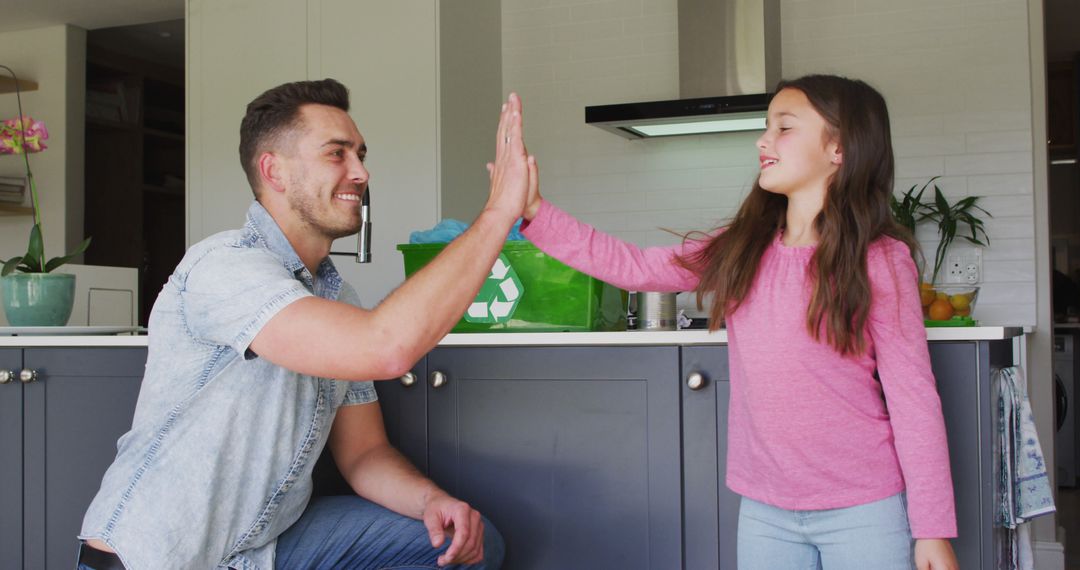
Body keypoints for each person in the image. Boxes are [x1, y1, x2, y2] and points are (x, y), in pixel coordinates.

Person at [76, 78, 528, 569]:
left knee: (462, 545)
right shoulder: (224, 266)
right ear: (274, 171)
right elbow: (383, 347)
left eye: (360, 154)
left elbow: (364, 454)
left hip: (260, 551)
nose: (360, 171)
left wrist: (429, 502)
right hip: (160, 558)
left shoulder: (339, 298)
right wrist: (499, 212)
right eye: (337, 154)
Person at [518, 75, 960, 570]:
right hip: (766, 510)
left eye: (784, 127)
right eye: (765, 126)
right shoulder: (742, 248)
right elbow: (637, 267)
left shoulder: (881, 259)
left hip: (864, 509)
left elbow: (914, 399)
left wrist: (933, 530)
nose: (763, 140)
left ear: (839, 148)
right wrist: (534, 209)